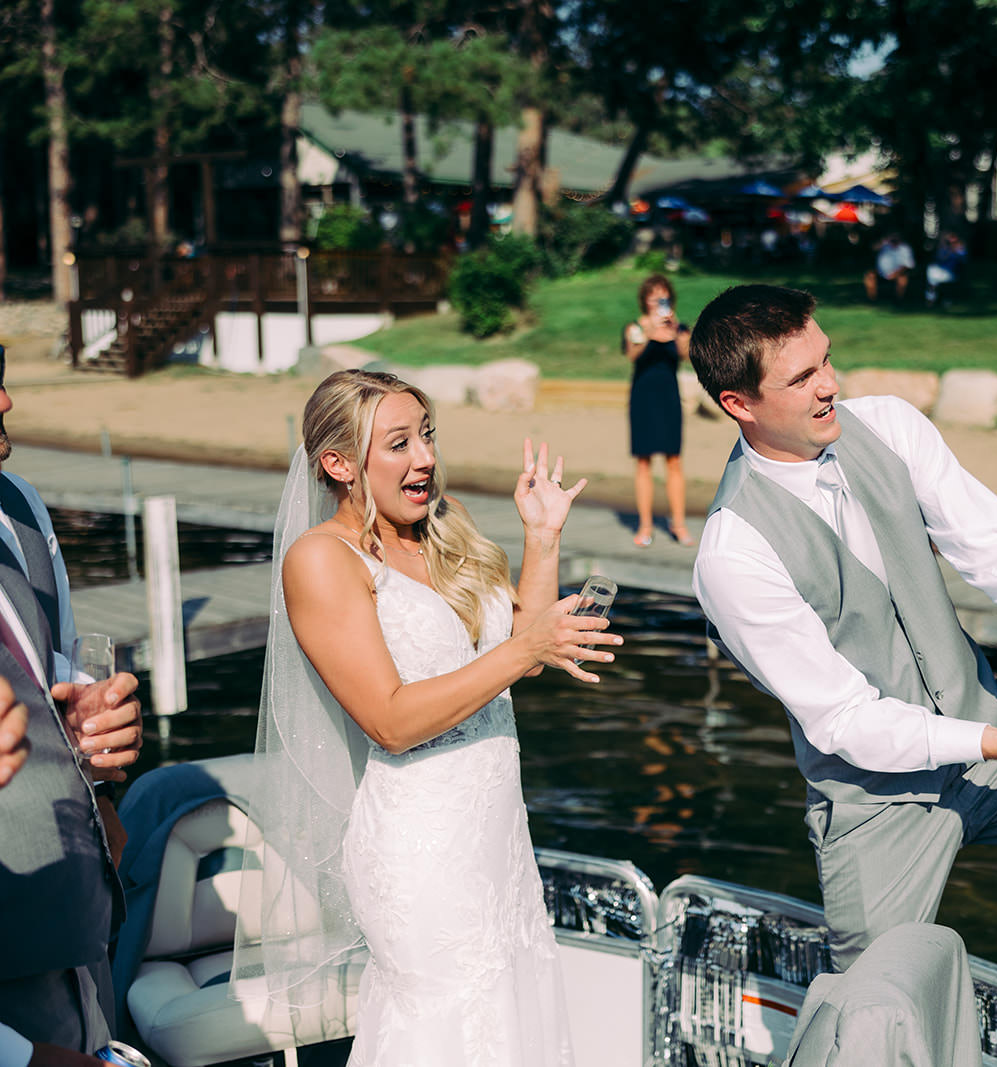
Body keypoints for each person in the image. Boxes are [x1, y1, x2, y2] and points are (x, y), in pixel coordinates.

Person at [689, 286, 997, 1067]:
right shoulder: (732, 552)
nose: (830, 384)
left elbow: (993, 548)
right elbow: (844, 720)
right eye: (801, 378)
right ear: (739, 402)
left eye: (827, 360)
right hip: (879, 799)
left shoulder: (889, 425)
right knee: (865, 1016)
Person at [240, 370, 622, 1066]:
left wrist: (543, 538)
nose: (424, 458)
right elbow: (388, 718)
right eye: (399, 443)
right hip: (423, 851)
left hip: (496, 836)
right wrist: (525, 648)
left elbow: (521, 655)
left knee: (512, 1018)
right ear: (338, 463)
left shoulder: (441, 530)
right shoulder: (322, 560)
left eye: (426, 436)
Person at [0, 344, 146, 1067]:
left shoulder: (19, 505)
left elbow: (52, 673)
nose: (5, 402)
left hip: (78, 905)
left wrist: (103, 745)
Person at [623, 274, 694, 547]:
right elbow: (632, 354)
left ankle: (679, 524)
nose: (658, 300)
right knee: (643, 461)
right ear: (645, 299)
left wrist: (675, 330)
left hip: (669, 398)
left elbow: (686, 355)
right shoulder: (635, 327)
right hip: (643, 397)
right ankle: (645, 525)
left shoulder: (679, 327)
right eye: (653, 295)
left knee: (674, 459)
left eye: (662, 295)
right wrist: (650, 330)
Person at [862, 232, 913, 302]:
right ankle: (872, 300)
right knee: (869, 276)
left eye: (896, 236)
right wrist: (883, 241)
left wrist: (895, 274)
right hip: (881, 273)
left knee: (903, 278)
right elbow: (873, 248)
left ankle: (898, 301)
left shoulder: (905, 248)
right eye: (892, 236)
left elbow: (908, 266)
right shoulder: (884, 245)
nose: (894, 238)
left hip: (897, 274)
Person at [924, 232, 967, 308]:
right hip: (939, 271)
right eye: (949, 242)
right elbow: (940, 258)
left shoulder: (961, 250)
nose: (951, 244)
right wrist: (949, 250)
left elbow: (963, 261)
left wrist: (956, 251)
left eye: (954, 242)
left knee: (933, 277)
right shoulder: (943, 250)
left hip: (951, 273)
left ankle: (933, 299)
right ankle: (930, 300)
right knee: (932, 271)